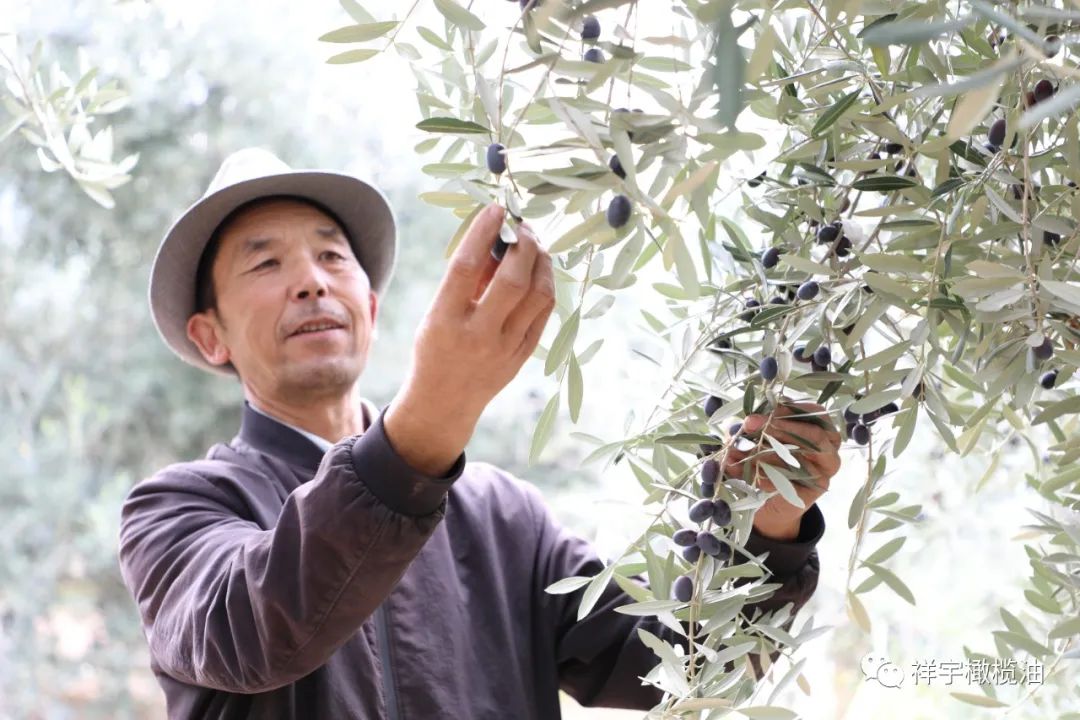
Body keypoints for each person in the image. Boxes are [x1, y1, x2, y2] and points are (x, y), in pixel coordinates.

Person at [117, 148, 840, 719]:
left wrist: (769, 525)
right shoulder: (175, 511)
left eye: (332, 256)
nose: (312, 282)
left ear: (370, 305)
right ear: (210, 336)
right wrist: (432, 415)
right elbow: (255, 630)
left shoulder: (503, 518)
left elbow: (680, 666)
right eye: (265, 262)